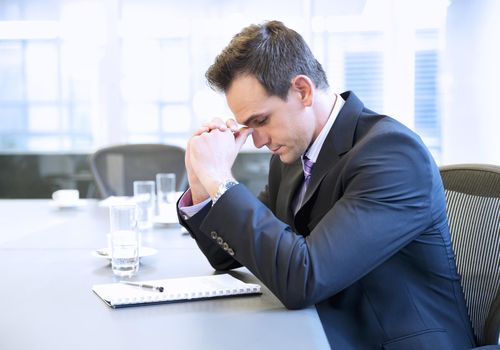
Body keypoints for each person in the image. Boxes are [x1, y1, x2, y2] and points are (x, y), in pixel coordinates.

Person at [177, 20, 475, 349]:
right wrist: (201, 181)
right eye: (247, 126)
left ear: (302, 91)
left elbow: (304, 279)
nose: (258, 141)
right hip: (319, 331)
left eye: (260, 121)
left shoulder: (392, 155)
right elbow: (227, 256)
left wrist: (221, 179)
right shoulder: (292, 155)